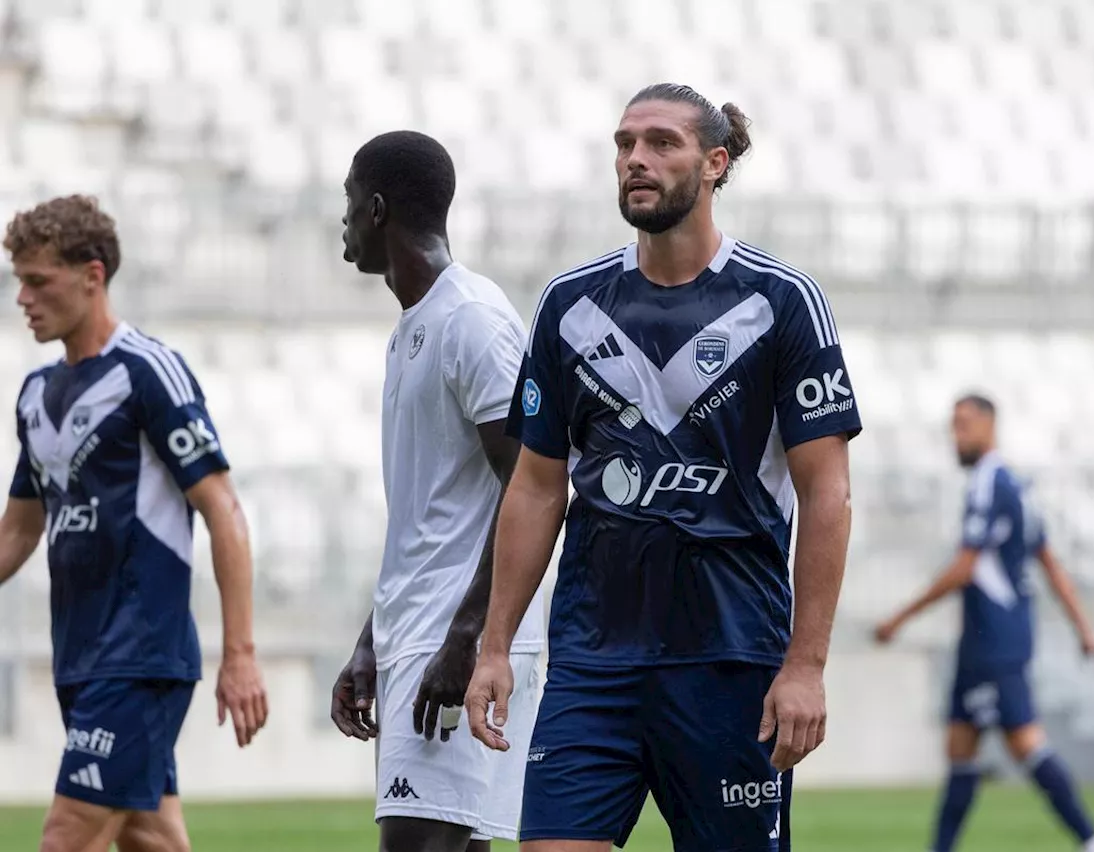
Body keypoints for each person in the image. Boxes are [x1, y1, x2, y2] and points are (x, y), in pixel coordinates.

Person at [464, 83, 861, 852]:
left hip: (730, 658)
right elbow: (537, 486)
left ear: (715, 164)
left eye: (660, 144)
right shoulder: (570, 303)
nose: (635, 160)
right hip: (591, 659)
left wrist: (806, 665)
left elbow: (827, 492)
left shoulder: (782, 302)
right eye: (624, 144)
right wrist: (495, 647)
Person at [0, 195, 268, 852]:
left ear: (92, 276)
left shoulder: (147, 371)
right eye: (18, 283)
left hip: (139, 654)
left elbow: (223, 509)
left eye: (38, 281)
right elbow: (18, 531)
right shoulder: (36, 395)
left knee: (66, 838)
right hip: (81, 657)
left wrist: (239, 654)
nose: (23, 299)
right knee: (151, 840)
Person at [329, 130, 544, 852]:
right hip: (413, 636)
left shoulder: (472, 321)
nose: (345, 219)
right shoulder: (412, 328)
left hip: (450, 642)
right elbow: (427, 516)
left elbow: (532, 486)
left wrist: (471, 641)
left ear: (380, 209)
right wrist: (370, 641)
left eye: (351, 203)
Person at [874, 394, 1094, 852]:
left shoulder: (988, 484)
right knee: (960, 748)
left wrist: (899, 617)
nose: (957, 435)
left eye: (965, 424)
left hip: (994, 640)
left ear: (990, 425)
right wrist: (1084, 632)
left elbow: (965, 567)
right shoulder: (1017, 487)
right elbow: (1049, 563)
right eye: (953, 426)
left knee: (1025, 742)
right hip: (987, 639)